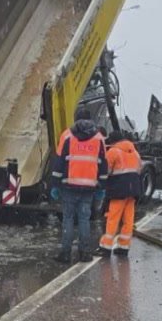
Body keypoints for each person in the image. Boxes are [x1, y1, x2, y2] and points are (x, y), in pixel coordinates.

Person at [50, 107, 108, 263]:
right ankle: (85, 253)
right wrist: (101, 187)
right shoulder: (99, 138)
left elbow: (59, 162)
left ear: (76, 119)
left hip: (68, 186)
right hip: (89, 188)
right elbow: (103, 165)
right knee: (84, 219)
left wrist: (55, 185)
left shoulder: (67, 136)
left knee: (68, 218)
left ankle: (65, 254)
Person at [99, 130, 142, 256]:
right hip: (133, 189)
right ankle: (124, 246)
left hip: (118, 189)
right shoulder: (134, 152)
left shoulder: (113, 152)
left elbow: (106, 171)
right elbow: (139, 168)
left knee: (113, 218)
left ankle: (106, 247)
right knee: (128, 218)